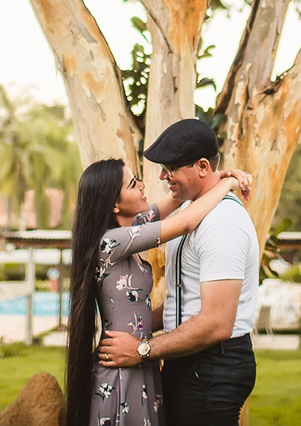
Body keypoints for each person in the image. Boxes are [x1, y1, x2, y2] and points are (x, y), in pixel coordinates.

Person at [65, 156, 251, 426]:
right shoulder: (110, 241)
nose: (142, 185)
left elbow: (177, 199)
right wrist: (229, 184)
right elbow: (186, 221)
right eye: (132, 184)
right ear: (114, 204)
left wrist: (216, 176)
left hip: (139, 357)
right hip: (122, 366)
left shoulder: (133, 227)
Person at [99, 119, 260, 426]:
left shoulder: (221, 222)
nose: (162, 176)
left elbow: (216, 323)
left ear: (202, 166)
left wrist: (142, 349)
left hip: (212, 365)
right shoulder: (191, 211)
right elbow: (182, 300)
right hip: (187, 359)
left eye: (170, 168)